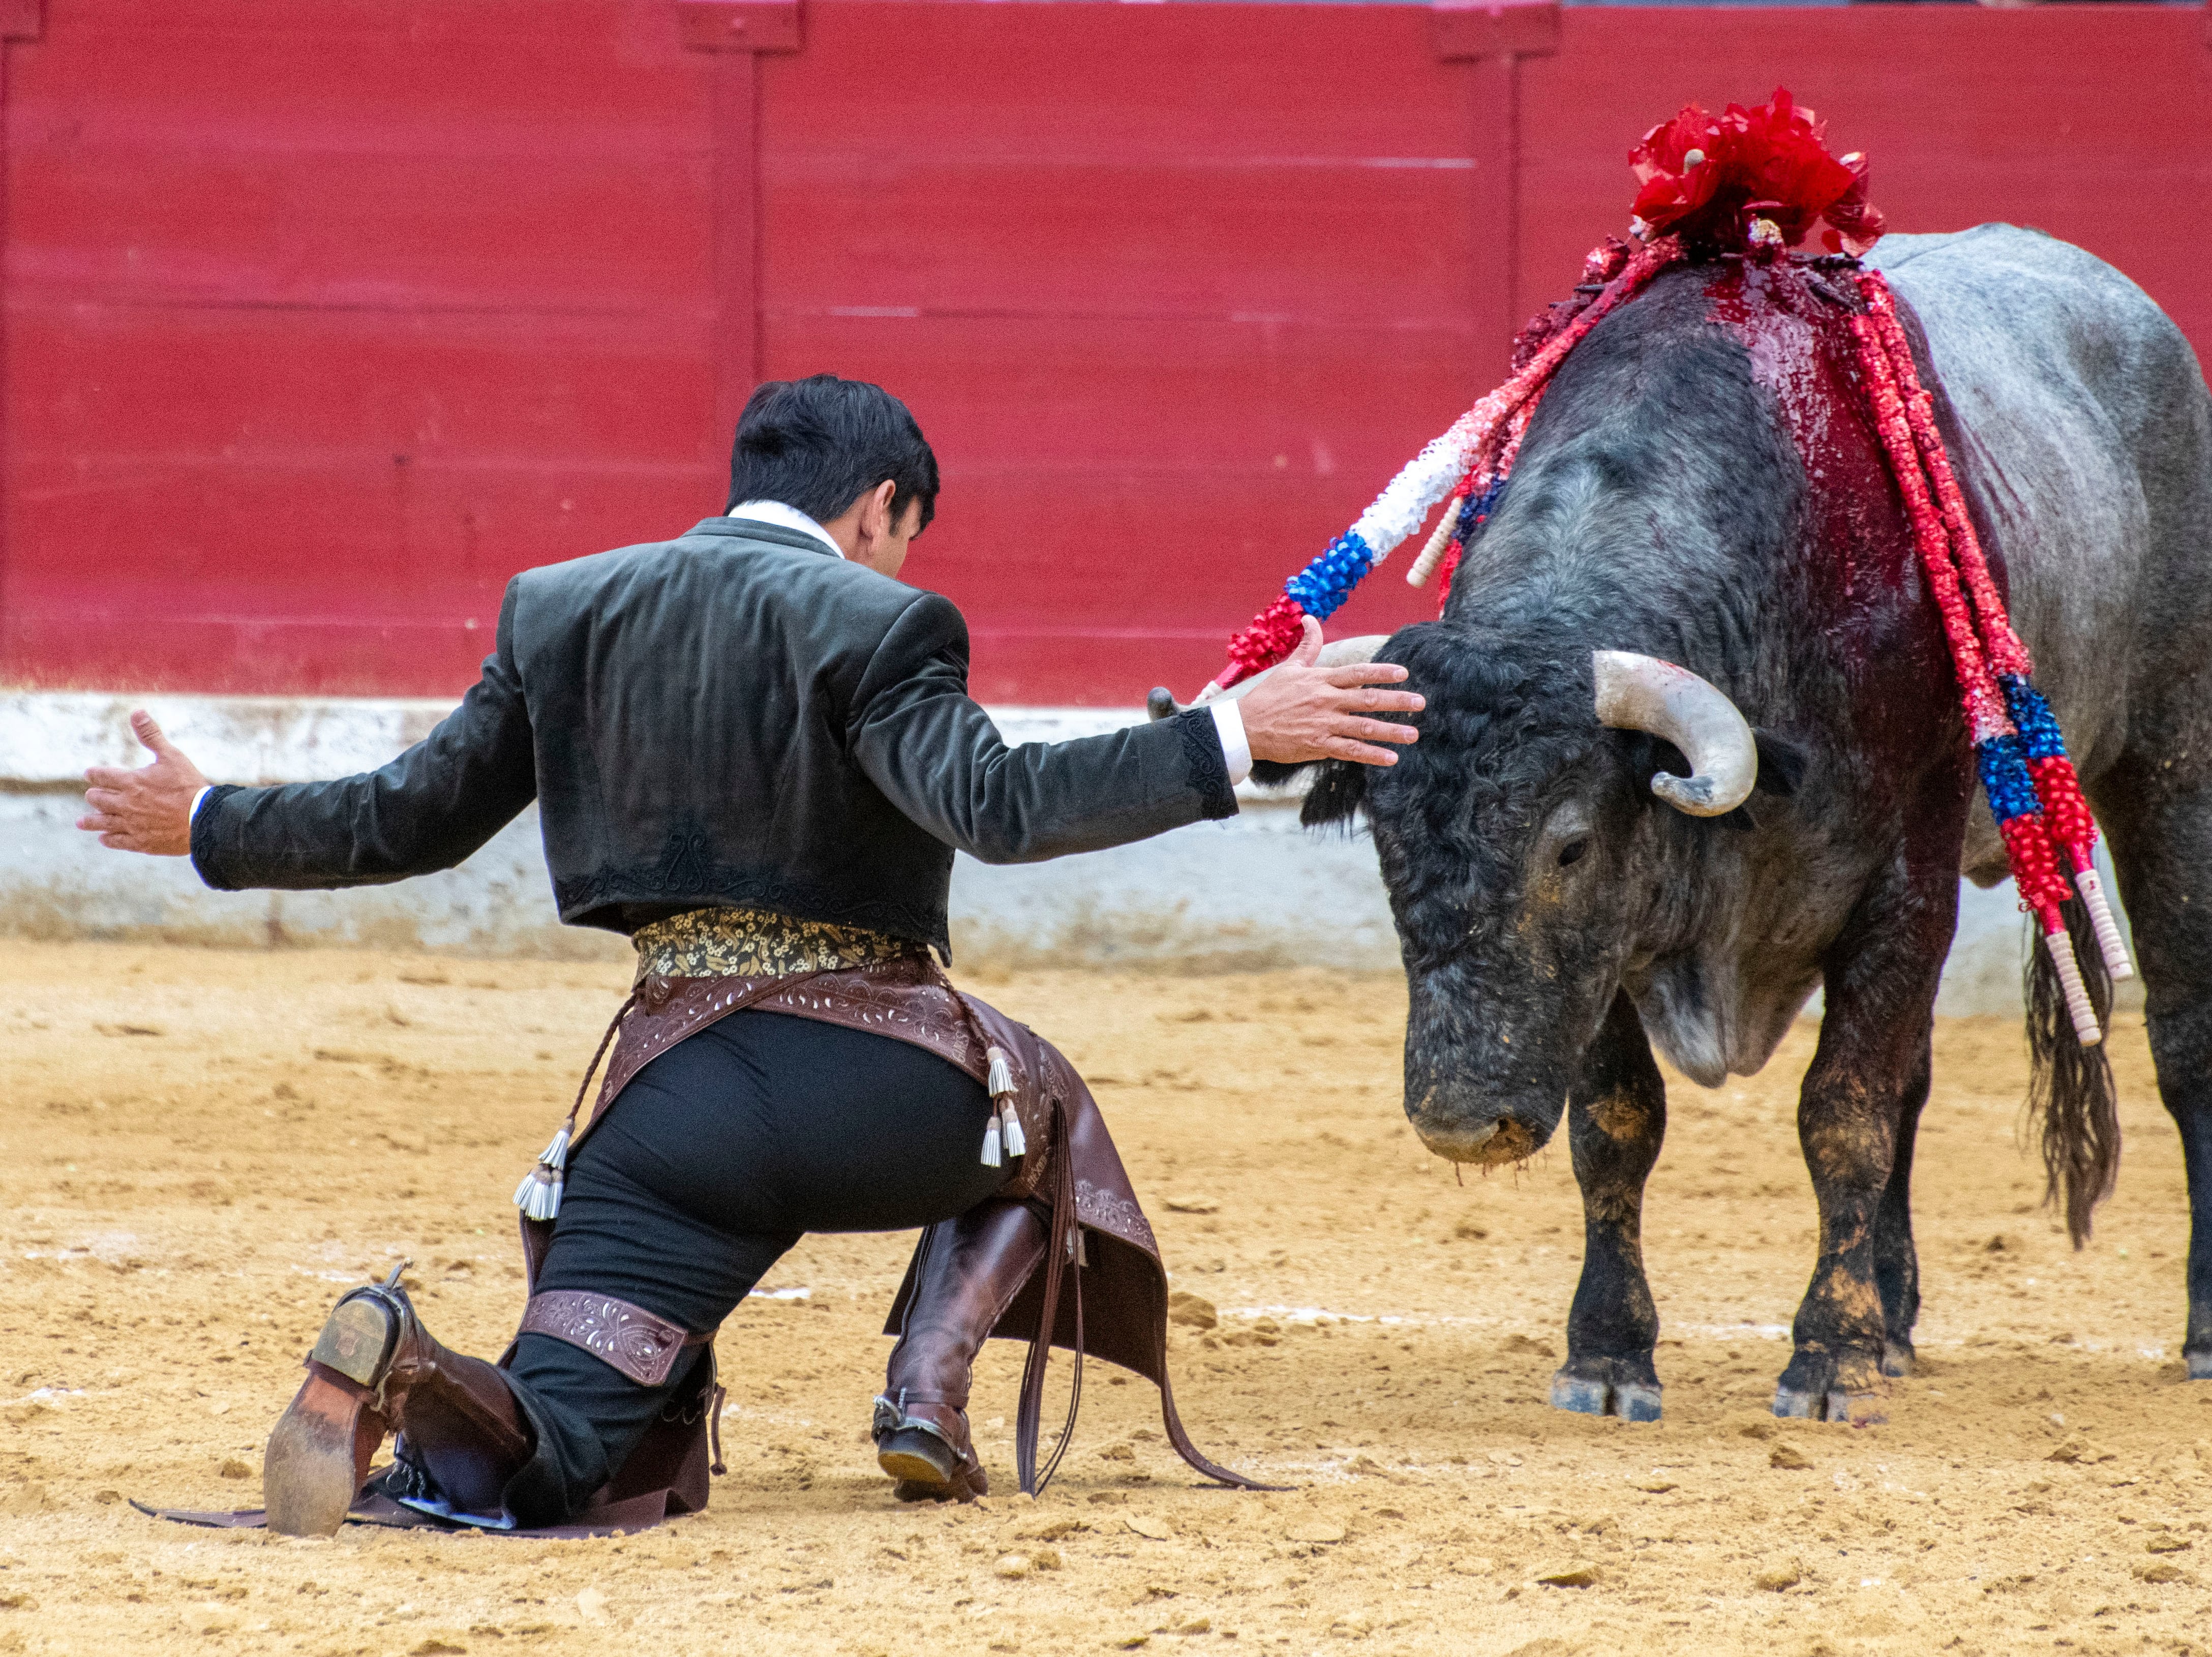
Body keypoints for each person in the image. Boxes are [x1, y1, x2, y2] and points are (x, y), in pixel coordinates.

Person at [79, 374, 1421, 1535]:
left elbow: (409, 817)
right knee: (1040, 1102)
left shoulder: (558, 608)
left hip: (671, 1117)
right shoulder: (884, 623)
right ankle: (924, 1391)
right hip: (882, 1101)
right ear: (880, 507)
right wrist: (1234, 735)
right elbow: (999, 806)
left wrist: (210, 818)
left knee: (553, 1455)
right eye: (902, 537)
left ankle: (417, 1365)